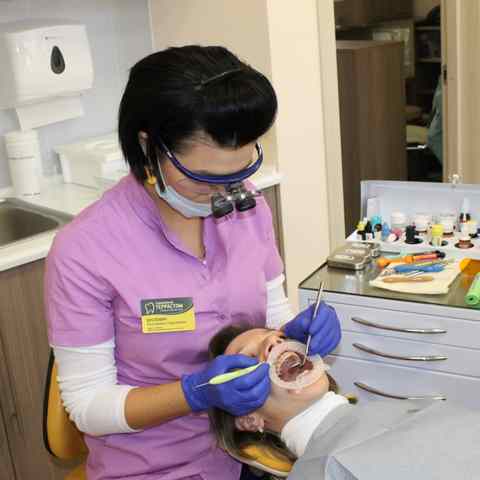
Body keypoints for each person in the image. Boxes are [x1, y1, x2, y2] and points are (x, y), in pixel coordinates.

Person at [45, 45, 342, 480]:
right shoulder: (85, 250)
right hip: (154, 467)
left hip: (251, 453)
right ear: (148, 147)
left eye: (240, 172)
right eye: (207, 179)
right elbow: (88, 406)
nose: (228, 193)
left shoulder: (249, 209)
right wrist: (194, 393)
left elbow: (272, 315)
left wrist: (295, 334)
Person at [209, 325, 480, 480]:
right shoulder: (322, 470)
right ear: (249, 419)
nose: (274, 342)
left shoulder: (409, 411)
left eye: (280, 337)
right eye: (247, 361)